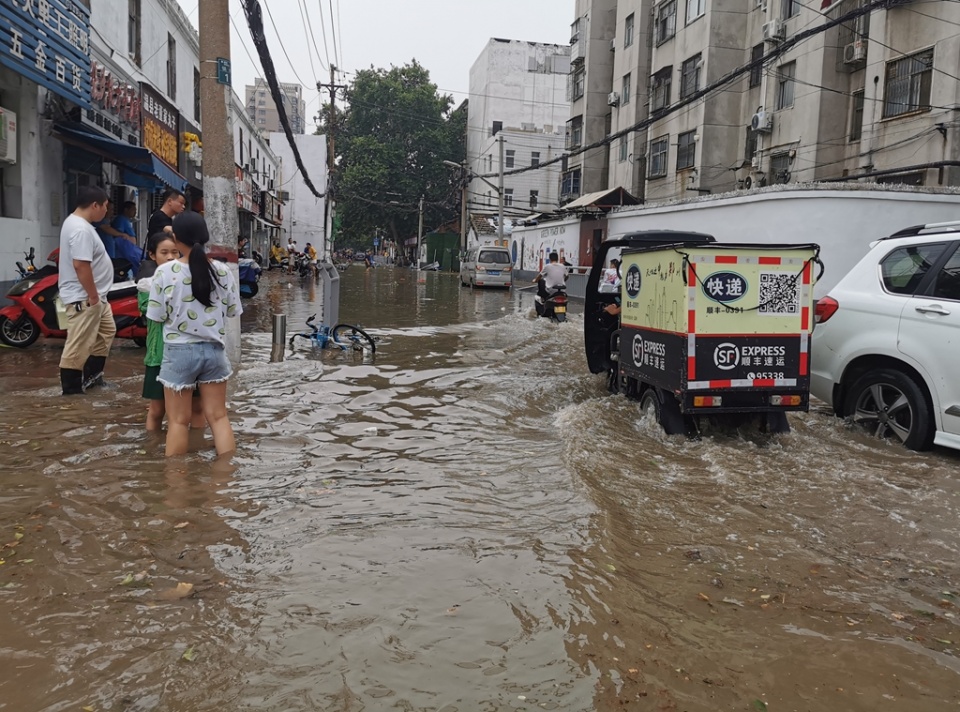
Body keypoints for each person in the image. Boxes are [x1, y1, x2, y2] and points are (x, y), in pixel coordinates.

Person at [146, 211, 242, 457]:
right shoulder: (222, 271)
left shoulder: (164, 273)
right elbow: (233, 311)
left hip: (178, 353)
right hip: (214, 352)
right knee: (219, 417)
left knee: (178, 421)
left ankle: (177, 484)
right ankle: (225, 479)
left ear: (175, 238)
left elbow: (155, 317)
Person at [137, 232, 205, 432]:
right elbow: (149, 310)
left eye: (175, 252)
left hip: (190, 354)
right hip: (159, 356)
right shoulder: (146, 285)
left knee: (197, 408)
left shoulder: (191, 281)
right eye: (164, 252)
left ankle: (196, 447)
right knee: (157, 410)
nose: (170, 257)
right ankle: (152, 449)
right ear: (152, 255)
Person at [58, 186, 116, 395]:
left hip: (97, 297)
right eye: (105, 207)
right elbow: (81, 265)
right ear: (95, 205)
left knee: (107, 331)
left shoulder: (78, 223)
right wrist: (92, 296)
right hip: (85, 297)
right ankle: (72, 393)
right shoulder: (80, 229)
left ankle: (93, 379)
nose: (106, 212)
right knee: (78, 345)